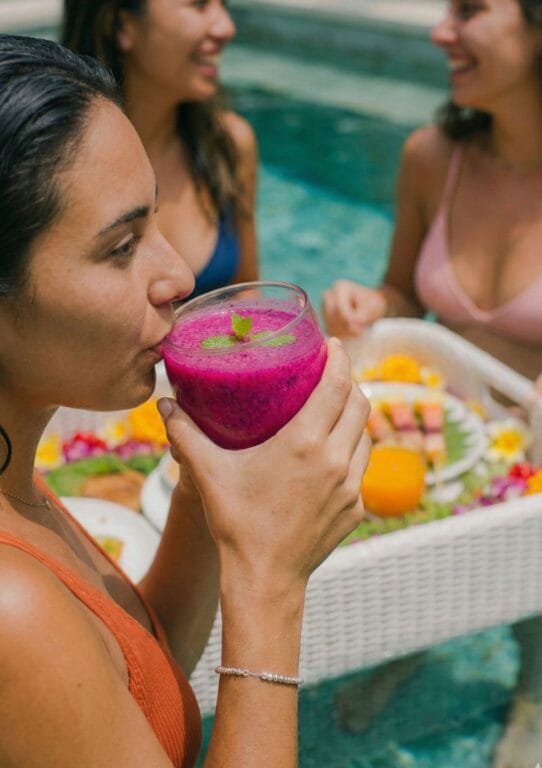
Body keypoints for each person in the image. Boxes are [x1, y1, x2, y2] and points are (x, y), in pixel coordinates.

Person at [0, 34, 370, 767]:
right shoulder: (11, 613)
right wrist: (270, 583)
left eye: (156, 222)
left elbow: (135, 673)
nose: (178, 275)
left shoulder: (17, 483)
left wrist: (211, 494)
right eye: (120, 247)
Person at [322, 1, 542, 766]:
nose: (440, 31)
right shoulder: (432, 157)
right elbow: (402, 290)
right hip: (439, 438)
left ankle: (531, 688)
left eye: (469, 10)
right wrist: (371, 306)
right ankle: (406, 650)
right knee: (410, 556)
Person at [61, 0, 259, 299]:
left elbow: (246, 292)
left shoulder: (228, 144)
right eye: (198, 4)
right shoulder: (57, 167)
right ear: (122, 24)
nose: (226, 28)